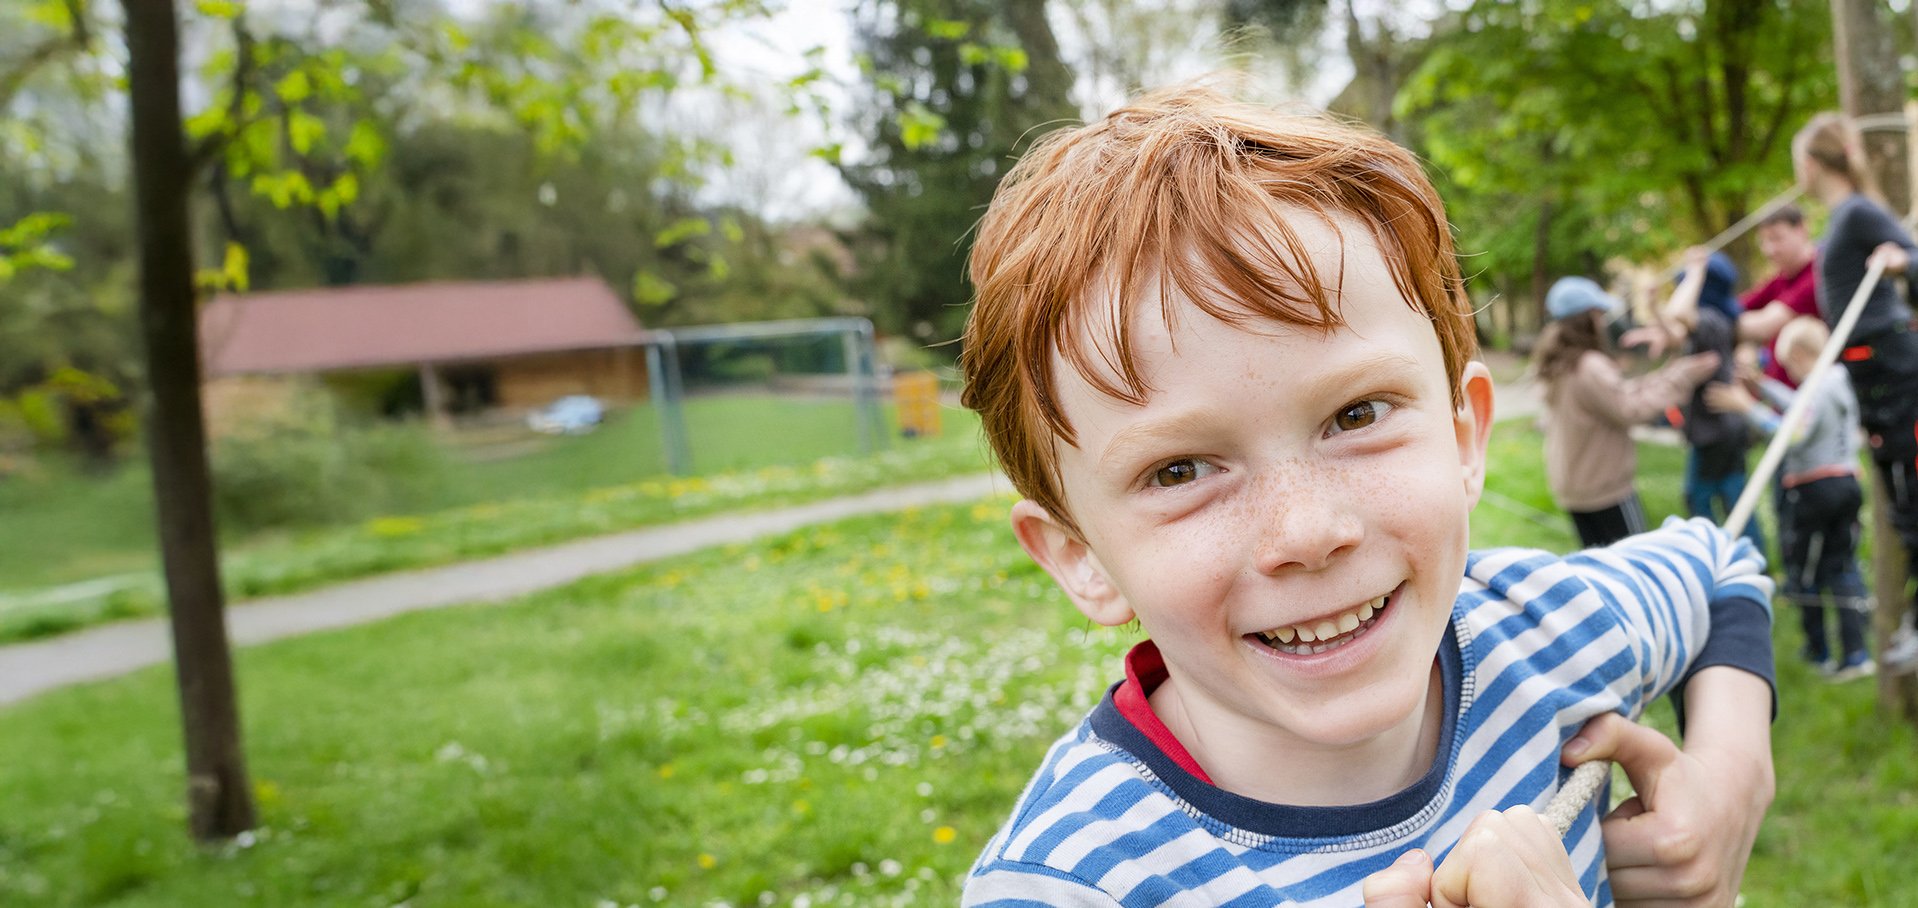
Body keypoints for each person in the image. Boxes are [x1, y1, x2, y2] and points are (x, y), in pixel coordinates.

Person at [958, 84, 1777, 907]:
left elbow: (1718, 566)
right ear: (1081, 558)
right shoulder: (1068, 884)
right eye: (1180, 471)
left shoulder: (1548, 632)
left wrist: (1731, 782)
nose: (1309, 533)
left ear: (1463, 438)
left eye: (1356, 415)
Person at [1793, 112, 1918, 671]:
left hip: (1895, 371)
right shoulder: (1842, 218)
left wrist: (1900, 262)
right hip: (1872, 379)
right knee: (1900, 501)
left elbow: (1914, 256)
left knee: (1910, 498)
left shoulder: (1860, 212)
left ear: (1812, 162)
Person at [1707, 317, 1875, 680]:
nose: (1792, 375)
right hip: (1846, 482)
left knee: (1807, 571)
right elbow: (1802, 404)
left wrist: (1746, 407)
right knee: (1842, 566)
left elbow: (1793, 435)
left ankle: (1819, 651)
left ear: (1800, 354)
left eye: (1790, 366)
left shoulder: (1819, 388)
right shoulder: (1838, 379)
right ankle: (1856, 654)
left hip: (1814, 490)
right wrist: (1763, 386)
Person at [1534, 275, 1721, 548]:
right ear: (1586, 319)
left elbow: (1618, 396)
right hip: (1604, 489)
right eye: (1598, 315)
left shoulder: (1559, 363)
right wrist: (1682, 377)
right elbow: (1631, 408)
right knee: (1633, 562)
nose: (1602, 322)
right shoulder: (1589, 366)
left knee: (1599, 563)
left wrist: (1667, 374)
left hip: (1575, 487)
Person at [1738, 204, 1822, 387]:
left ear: (1802, 229)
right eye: (1763, 241)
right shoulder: (1780, 279)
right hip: (1782, 397)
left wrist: (1709, 324)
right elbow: (1738, 307)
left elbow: (1763, 325)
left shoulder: (1817, 276)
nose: (1769, 250)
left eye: (1776, 239)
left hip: (1810, 401)